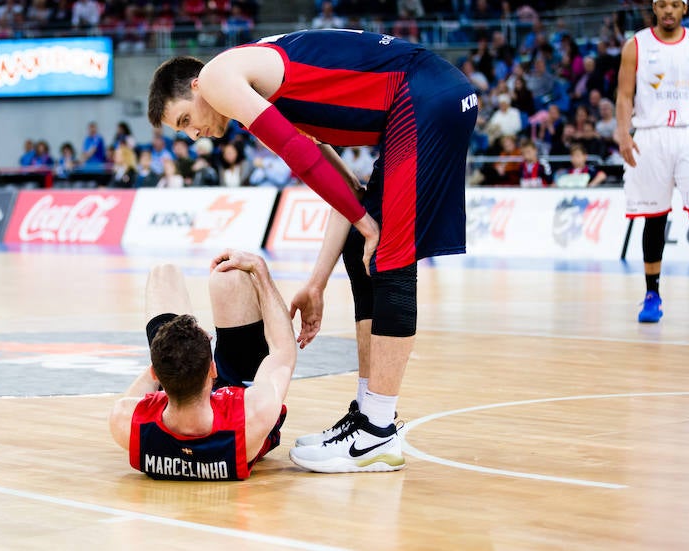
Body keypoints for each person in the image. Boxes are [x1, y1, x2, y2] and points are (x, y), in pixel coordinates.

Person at [148, 28, 477, 473]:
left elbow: (297, 154)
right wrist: (316, 283)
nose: (193, 136)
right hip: (419, 98)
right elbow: (338, 179)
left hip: (421, 96)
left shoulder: (218, 77)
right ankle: (368, 415)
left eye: (185, 120)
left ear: (195, 87)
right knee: (367, 243)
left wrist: (362, 219)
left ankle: (377, 430)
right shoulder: (252, 90)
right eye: (182, 132)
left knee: (391, 256)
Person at [109, 249, 296, 481]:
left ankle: (175, 357)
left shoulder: (125, 420)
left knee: (162, 272)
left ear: (155, 373)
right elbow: (283, 351)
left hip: (175, 402)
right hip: (237, 401)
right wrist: (260, 269)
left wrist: (170, 356)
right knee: (230, 276)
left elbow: (132, 401)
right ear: (213, 369)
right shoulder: (254, 411)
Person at [613, 0, 689, 323]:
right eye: (663, 5)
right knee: (654, 217)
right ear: (654, 8)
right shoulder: (635, 45)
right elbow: (624, 95)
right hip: (650, 135)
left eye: (675, 5)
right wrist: (622, 132)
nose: (669, 11)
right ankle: (652, 294)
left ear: (684, 9)